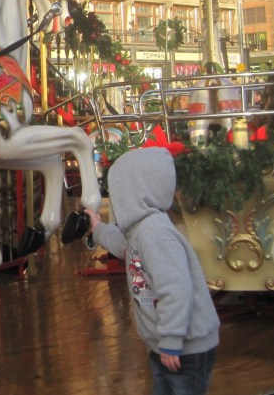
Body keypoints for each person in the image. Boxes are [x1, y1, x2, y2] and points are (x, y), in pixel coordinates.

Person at [84, 147, 219, 395]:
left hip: (185, 348)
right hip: (166, 345)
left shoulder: (155, 234)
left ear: (135, 193)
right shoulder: (140, 230)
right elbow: (124, 246)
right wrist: (99, 229)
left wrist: (170, 340)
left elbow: (176, 290)